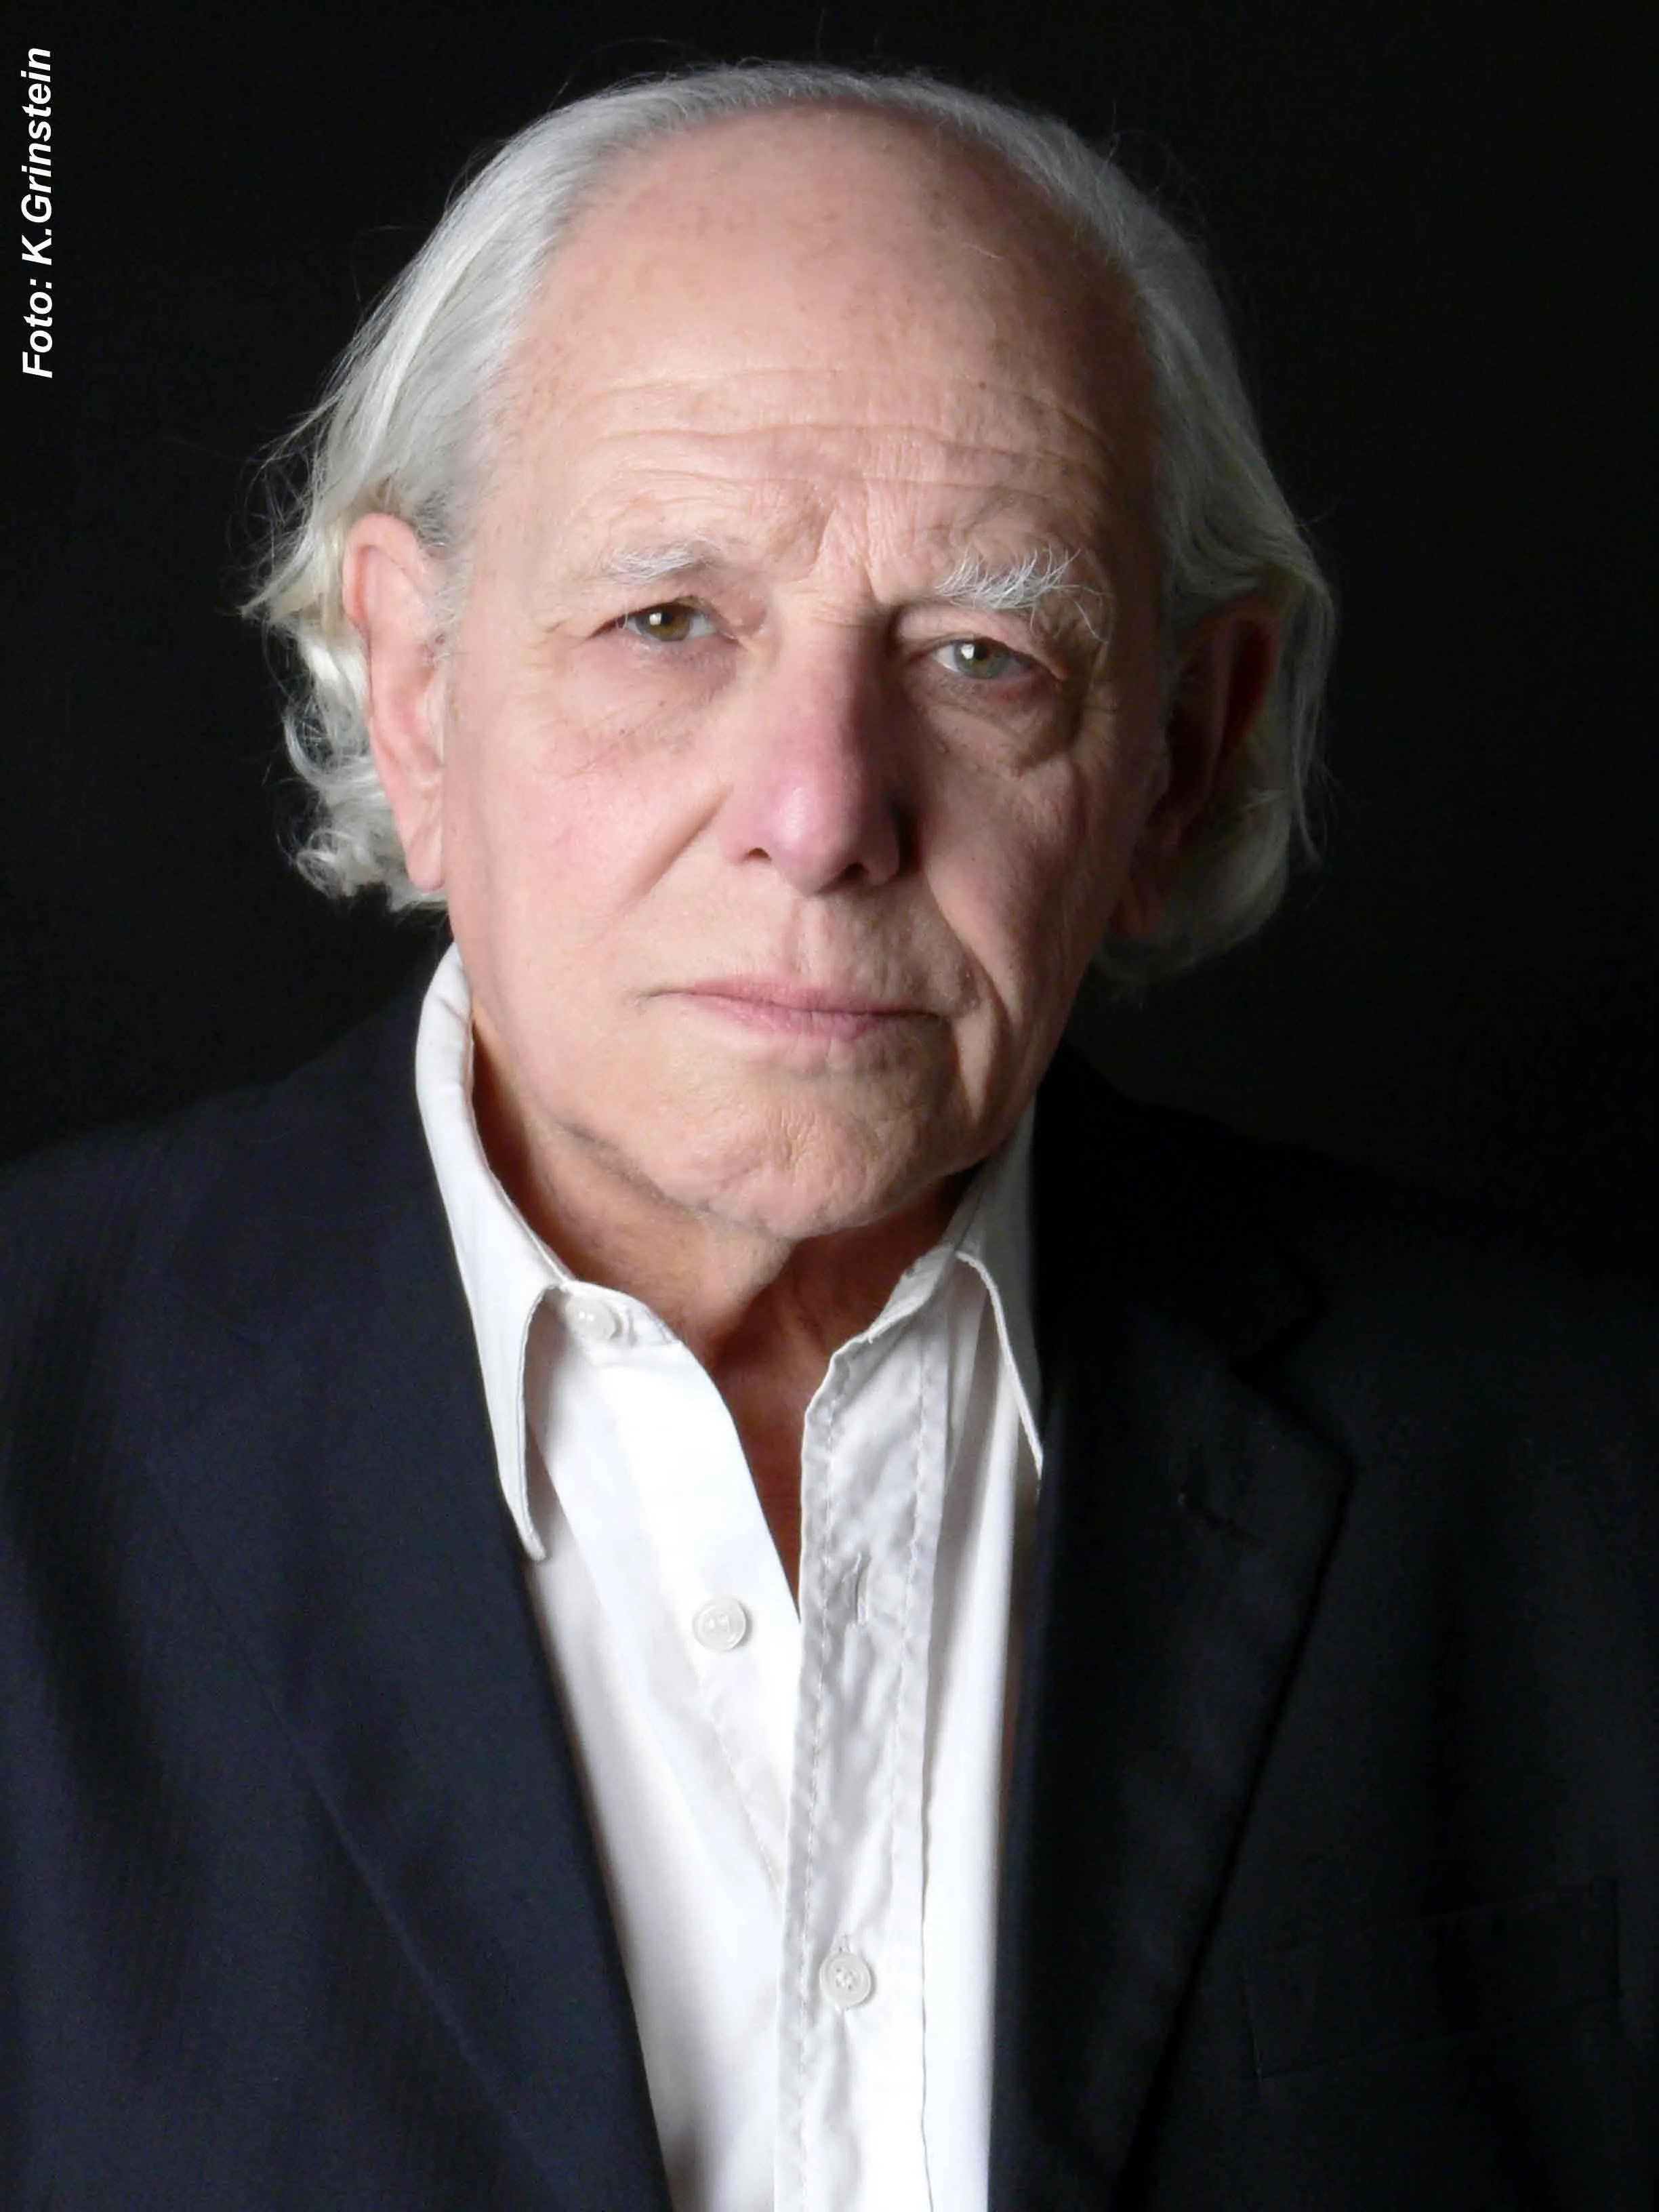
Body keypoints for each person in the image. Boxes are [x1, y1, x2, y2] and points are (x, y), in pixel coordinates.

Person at [1, 59, 1653, 2212]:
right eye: (666, 622)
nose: (821, 813)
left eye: (983, 655)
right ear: (416, 689)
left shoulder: (1589, 1479)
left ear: (1180, 753)